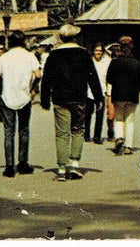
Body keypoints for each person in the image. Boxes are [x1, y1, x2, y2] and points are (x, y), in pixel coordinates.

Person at [40, 24, 103, 181]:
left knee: (62, 133)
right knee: (78, 130)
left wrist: (44, 99)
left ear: (60, 38)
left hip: (60, 98)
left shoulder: (53, 55)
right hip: (79, 97)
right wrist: (99, 98)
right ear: (75, 38)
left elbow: (46, 79)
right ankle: (74, 164)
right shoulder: (84, 54)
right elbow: (92, 77)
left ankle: (61, 169)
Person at [0, 30, 41, 177]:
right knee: (24, 130)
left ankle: (9, 166)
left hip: (7, 97)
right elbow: (38, 74)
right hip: (24, 97)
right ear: (24, 41)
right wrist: (33, 89)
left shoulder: (4, 57)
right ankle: (23, 163)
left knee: (9, 132)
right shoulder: (29, 56)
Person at [107, 35, 140, 155]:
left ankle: (119, 138)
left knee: (119, 118)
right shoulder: (137, 63)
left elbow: (109, 79)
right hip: (132, 95)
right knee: (130, 120)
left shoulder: (114, 63)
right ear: (131, 47)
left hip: (118, 94)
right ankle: (128, 146)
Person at [86, 42, 111, 144]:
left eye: (100, 51)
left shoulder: (107, 62)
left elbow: (109, 79)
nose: (98, 53)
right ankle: (86, 134)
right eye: (96, 50)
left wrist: (108, 92)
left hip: (101, 91)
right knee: (87, 115)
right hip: (89, 91)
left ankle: (97, 136)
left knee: (100, 115)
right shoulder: (89, 61)